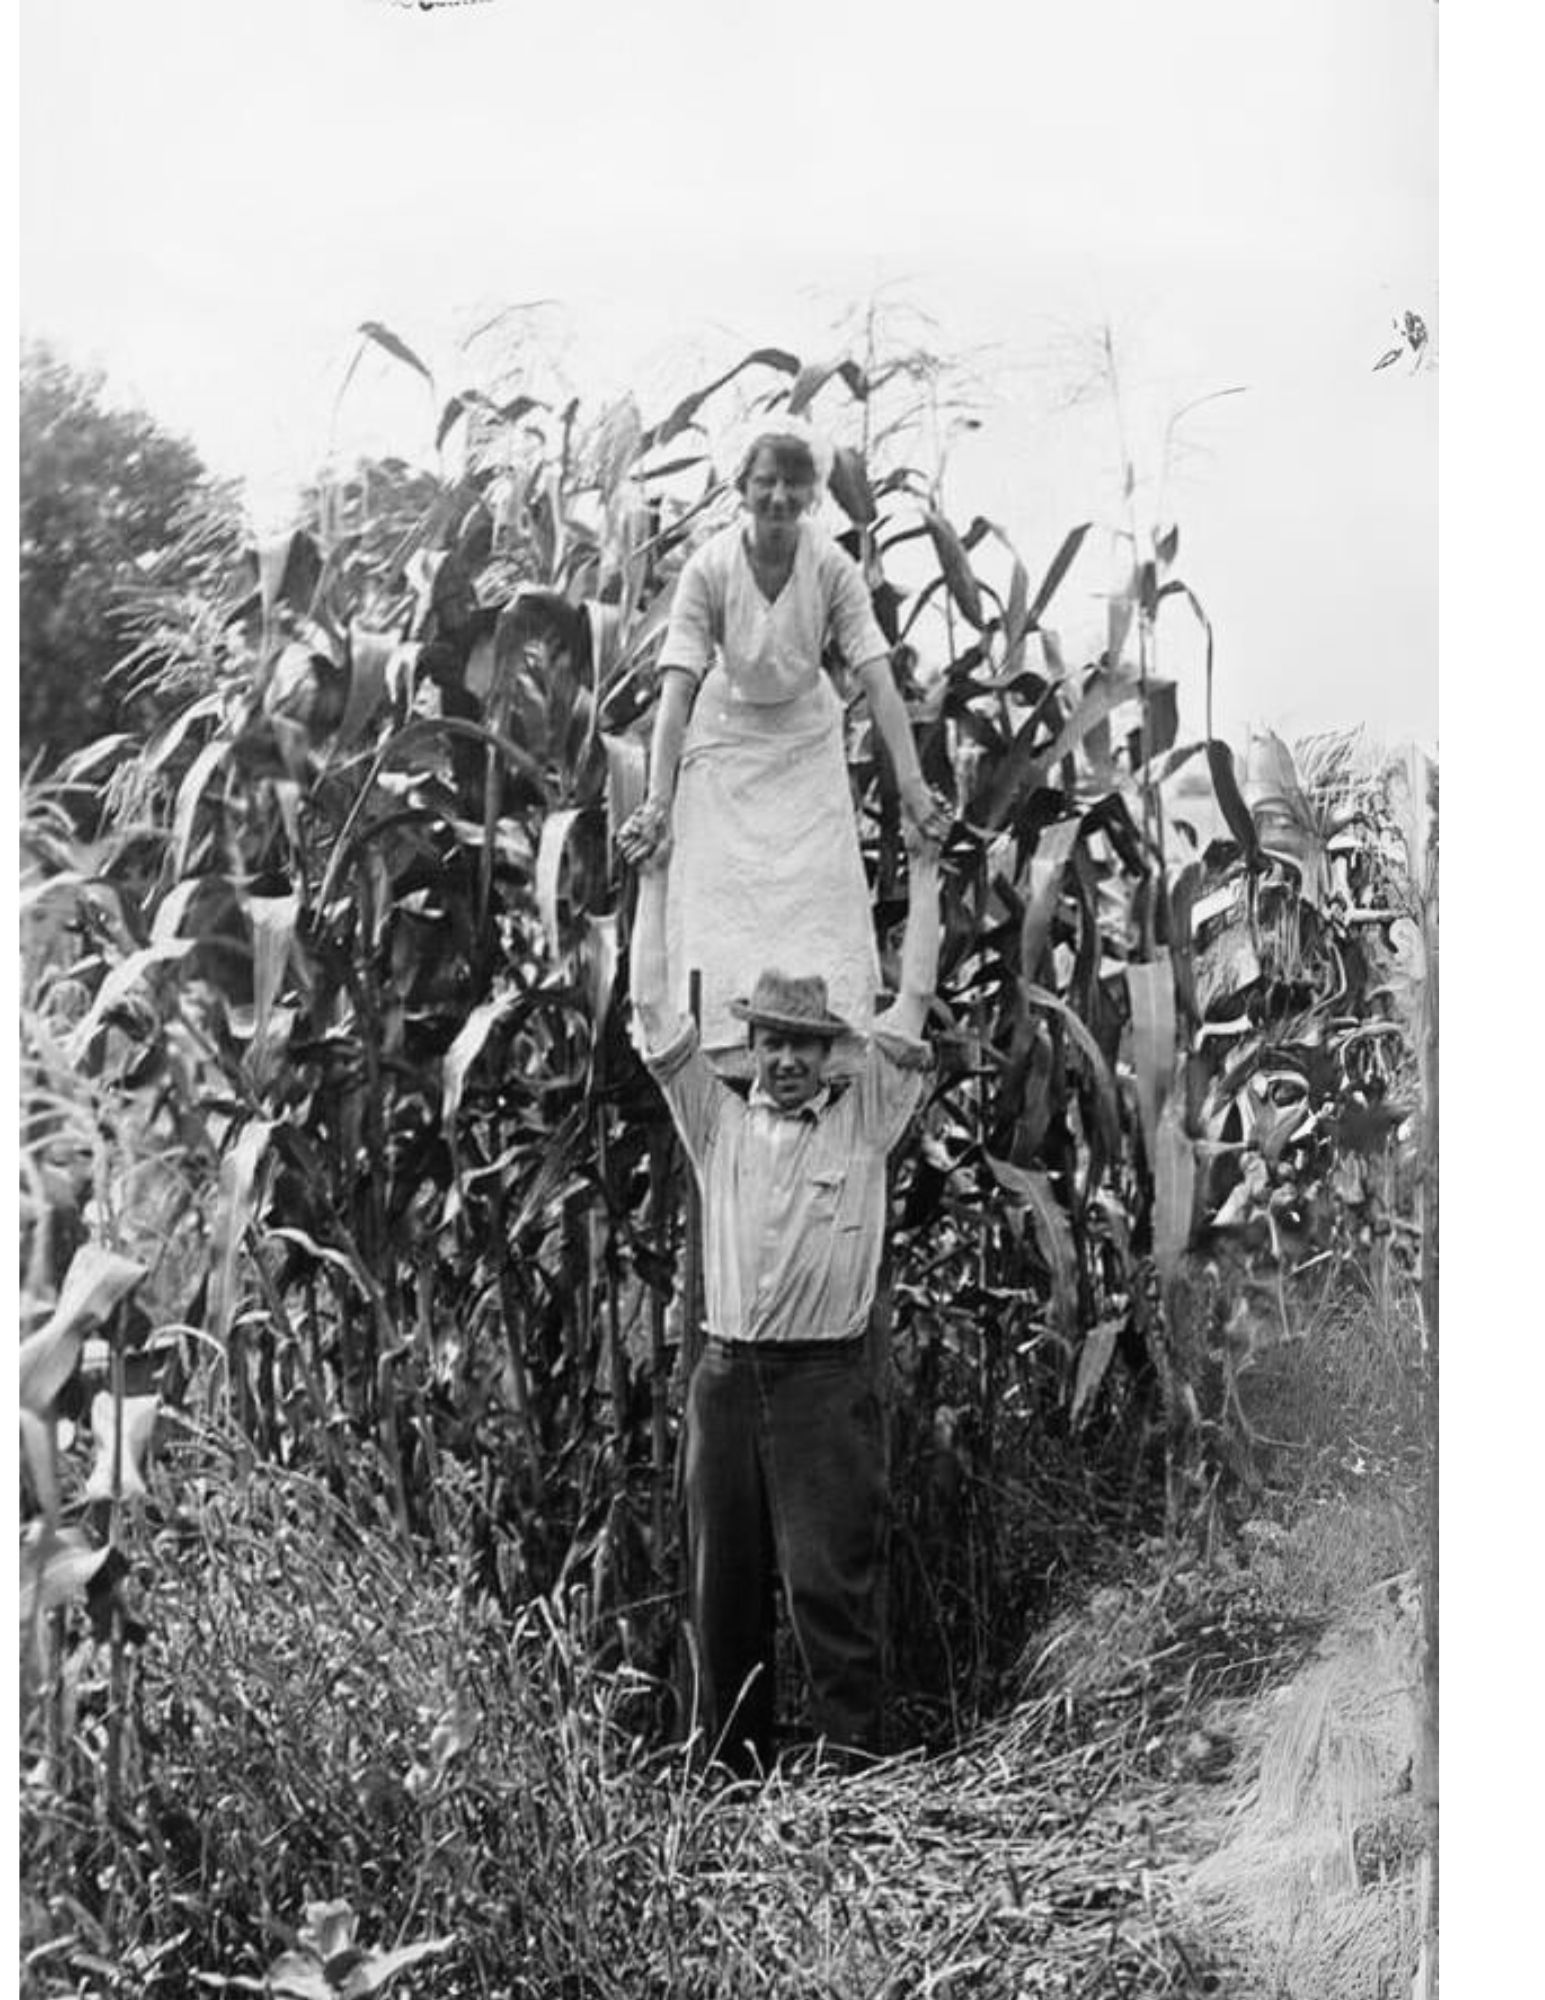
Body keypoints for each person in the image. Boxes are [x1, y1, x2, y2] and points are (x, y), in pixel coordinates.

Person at [628, 818, 943, 1776]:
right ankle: (729, 1788)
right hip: (725, 1383)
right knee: (722, 1596)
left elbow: (917, 994)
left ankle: (855, 1791)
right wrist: (651, 879)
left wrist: (924, 873)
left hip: (822, 1388)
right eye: (774, 1044)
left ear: (828, 1055)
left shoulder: (866, 1125)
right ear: (752, 1046)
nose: (789, 1062)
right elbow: (650, 1012)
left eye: (807, 1046)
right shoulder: (714, 1124)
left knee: (832, 1590)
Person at [617, 418, 950, 1059]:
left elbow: (879, 682)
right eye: (765, 482)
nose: (778, 498)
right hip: (725, 742)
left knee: (818, 901)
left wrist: (913, 788)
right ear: (741, 486)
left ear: (812, 494)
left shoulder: (831, 568)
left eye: (794, 484)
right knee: (719, 909)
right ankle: (722, 1058)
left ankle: (819, 1059)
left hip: (806, 741)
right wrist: (658, 801)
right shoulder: (709, 569)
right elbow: (677, 690)